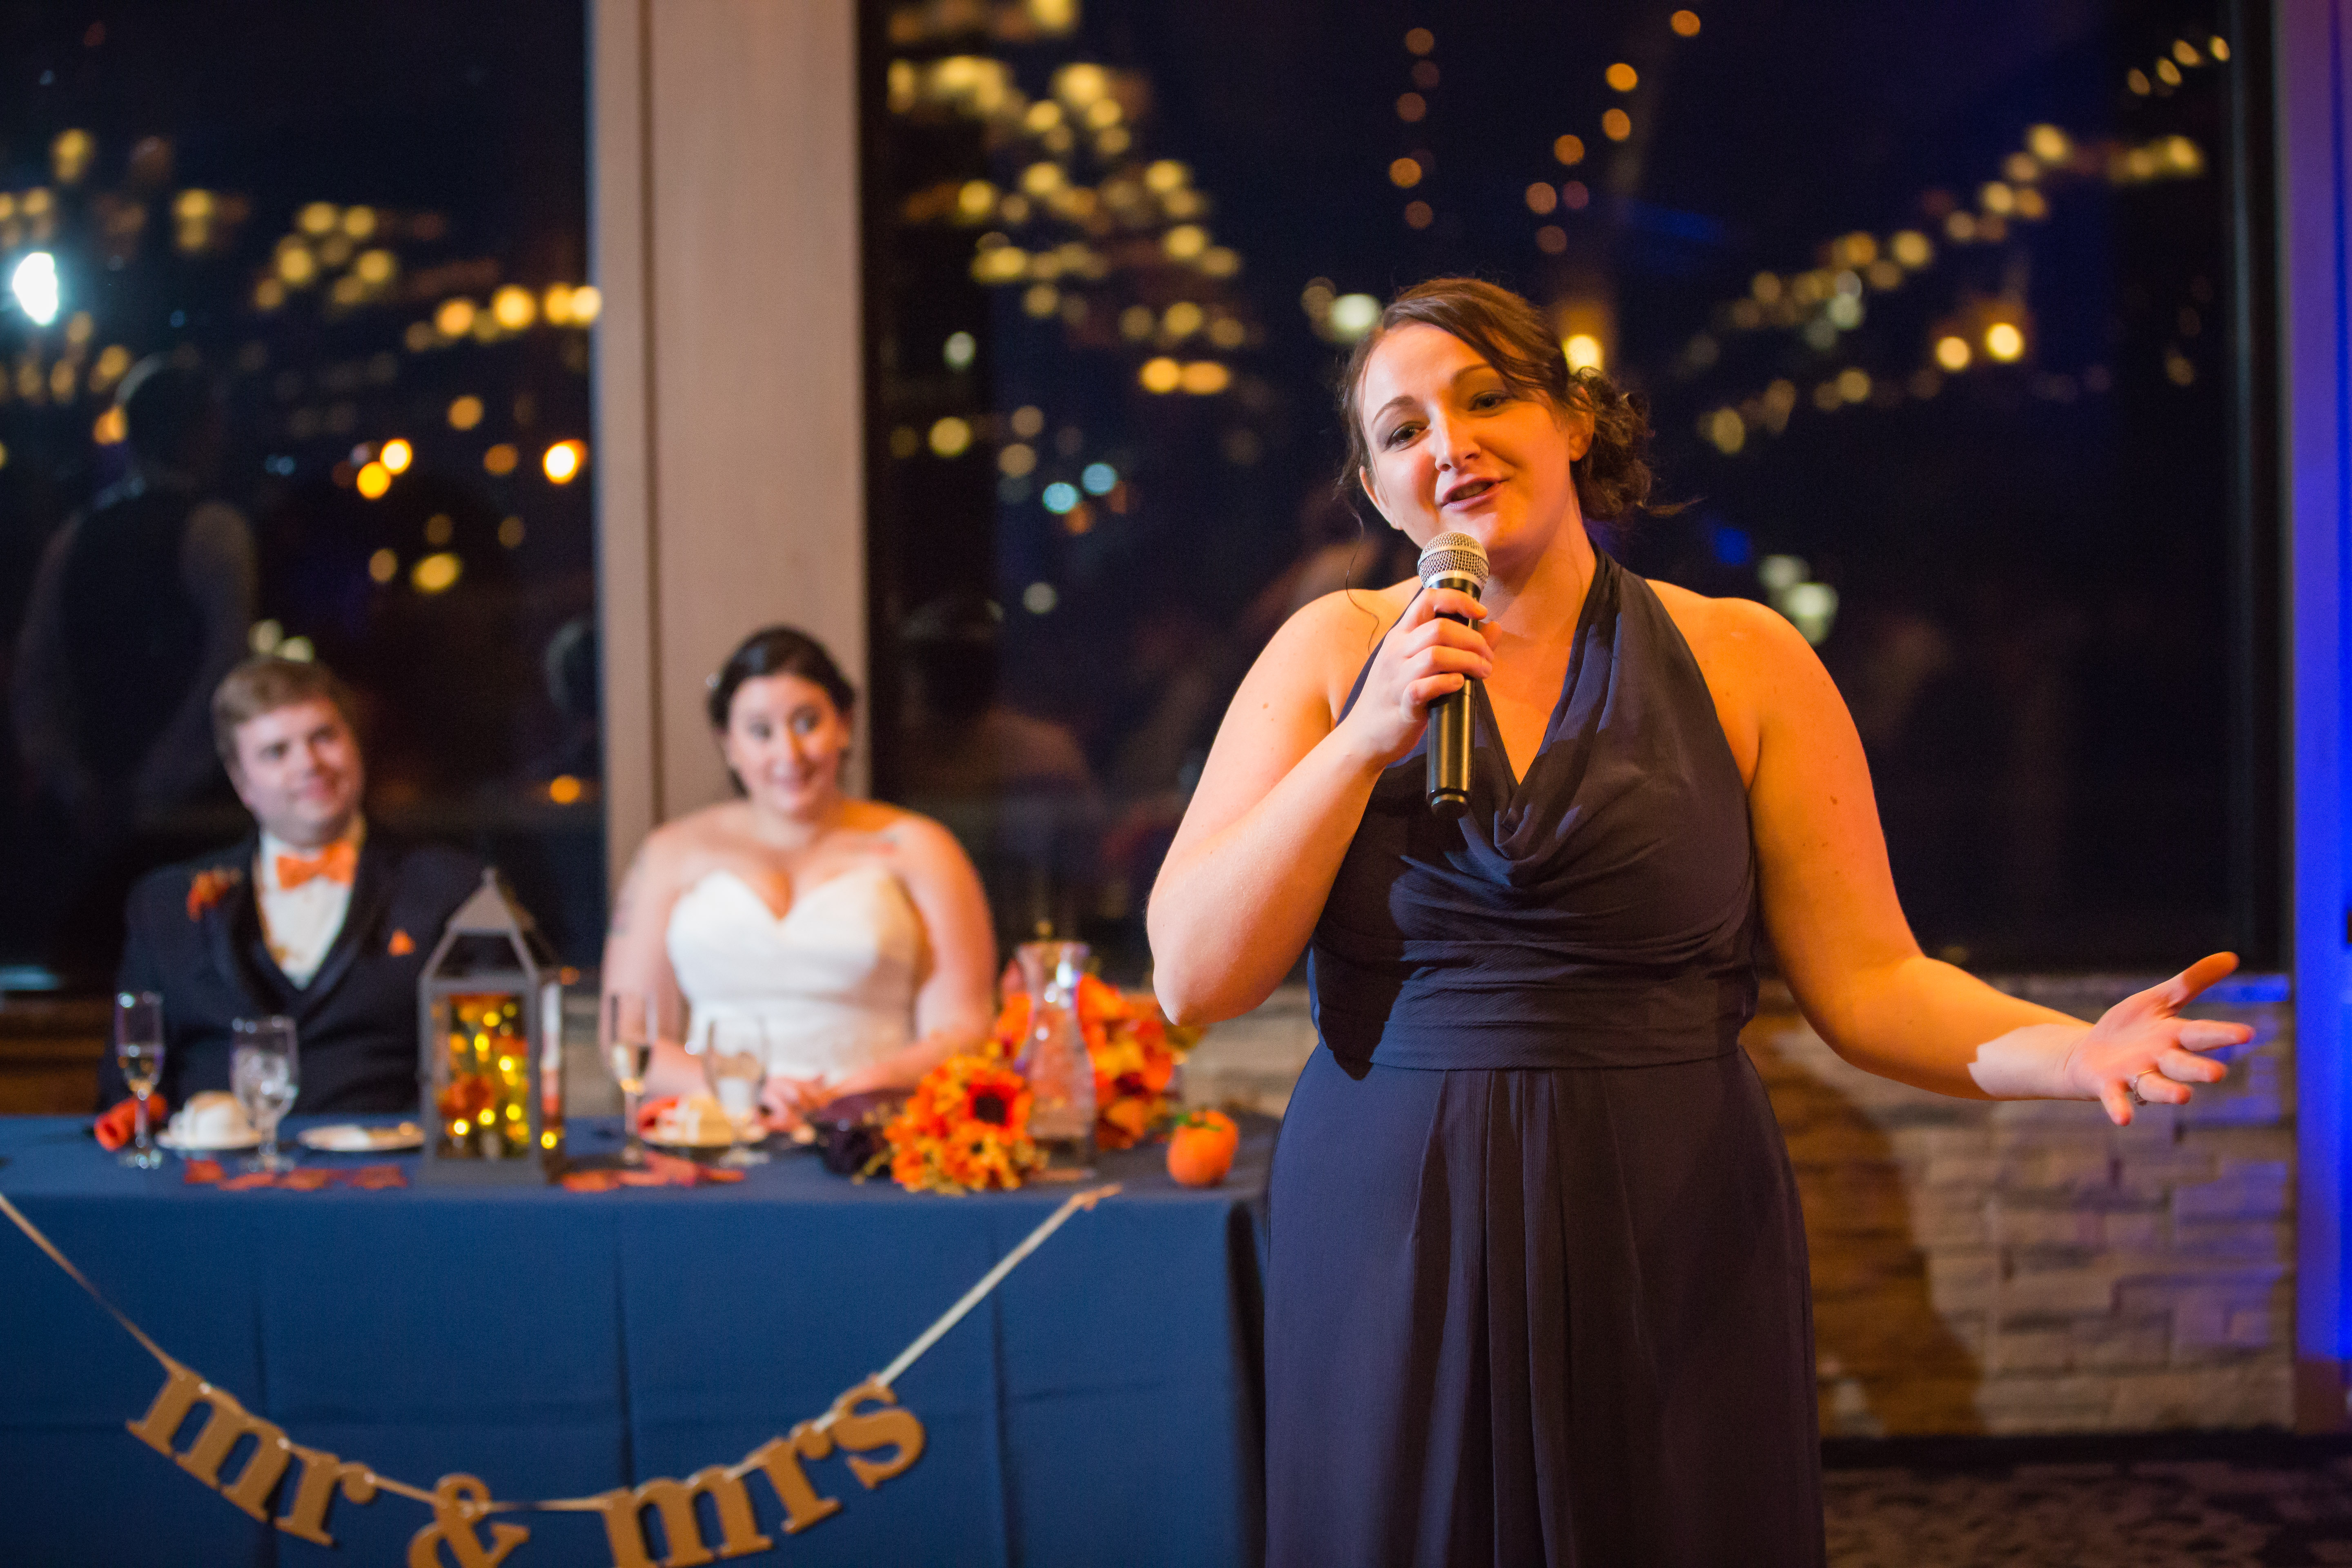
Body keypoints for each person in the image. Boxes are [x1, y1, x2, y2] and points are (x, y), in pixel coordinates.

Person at [1145, 277, 2252, 1566]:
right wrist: (1361, 743)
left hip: (1671, 1203)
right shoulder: (1329, 652)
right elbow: (1194, 978)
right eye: (1403, 430)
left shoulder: (1746, 657)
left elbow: (1874, 979)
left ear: (1573, 420)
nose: (1450, 443)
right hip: (1394, 1212)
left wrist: (2072, 1053)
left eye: (1487, 397)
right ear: (1380, 491)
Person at [605, 626, 996, 1123]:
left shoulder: (922, 849)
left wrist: (863, 1088)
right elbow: (629, 1036)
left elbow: (965, 1029)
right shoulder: (668, 853)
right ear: (728, 743)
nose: (789, 754)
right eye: (760, 731)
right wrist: (743, 1090)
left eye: (808, 723)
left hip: (873, 1130)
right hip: (718, 1133)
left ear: (844, 725)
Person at [100, 656, 487, 1114]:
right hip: (213, 1157)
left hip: (391, 1155)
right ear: (242, 783)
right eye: (276, 752)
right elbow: (127, 1091)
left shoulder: (454, 889)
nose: (309, 763)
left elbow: (488, 1065)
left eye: (324, 737)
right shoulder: (164, 904)